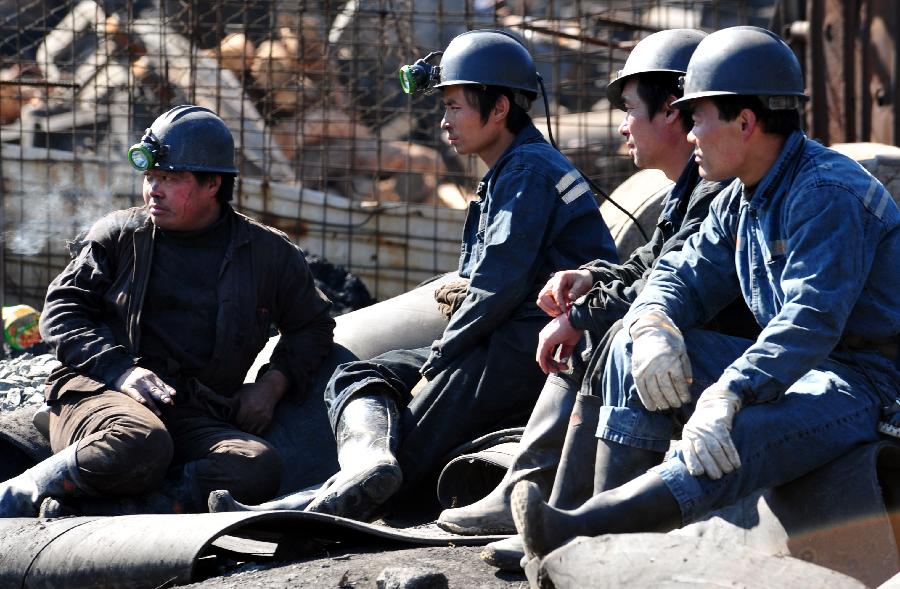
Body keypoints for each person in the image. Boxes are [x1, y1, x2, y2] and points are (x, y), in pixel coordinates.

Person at [510, 26, 900, 562]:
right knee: (628, 343)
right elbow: (680, 274)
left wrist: (728, 393)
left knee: (736, 435)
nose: (689, 133)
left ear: (745, 120)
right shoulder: (740, 198)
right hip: (799, 367)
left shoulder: (827, 192)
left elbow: (811, 320)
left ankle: (587, 533)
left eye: (697, 118)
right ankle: (598, 529)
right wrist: (651, 323)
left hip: (868, 384)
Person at [212, 28, 618, 520]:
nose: (444, 121)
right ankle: (364, 466)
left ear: (500, 109)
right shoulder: (515, 169)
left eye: (455, 107)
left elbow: (498, 286)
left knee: (411, 454)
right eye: (442, 106)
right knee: (358, 375)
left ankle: (294, 513)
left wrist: (440, 359)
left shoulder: (526, 173)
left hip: (529, 344)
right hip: (511, 335)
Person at [436, 28, 757, 568]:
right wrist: (589, 277)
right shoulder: (692, 191)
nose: (622, 125)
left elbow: (674, 286)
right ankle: (552, 505)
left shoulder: (721, 193)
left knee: (606, 341)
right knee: (597, 334)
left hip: (730, 361)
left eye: (631, 108)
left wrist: (586, 315)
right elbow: (650, 263)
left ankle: (576, 513)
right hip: (707, 352)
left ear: (674, 113)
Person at [0, 105, 335, 517]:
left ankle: (124, 512)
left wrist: (271, 386)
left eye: (171, 178)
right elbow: (62, 311)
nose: (153, 190)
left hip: (191, 411)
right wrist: (121, 370)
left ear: (213, 183)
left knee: (256, 464)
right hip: (100, 394)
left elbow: (312, 326)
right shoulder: (120, 235)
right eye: (150, 177)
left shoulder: (267, 254)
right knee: (139, 440)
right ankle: (21, 493)